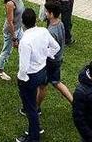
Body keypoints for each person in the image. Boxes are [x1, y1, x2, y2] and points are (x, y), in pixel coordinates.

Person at [15, 8, 59, 142]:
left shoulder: (25, 40)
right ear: (35, 20)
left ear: (23, 23)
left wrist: (22, 79)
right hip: (42, 71)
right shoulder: (44, 31)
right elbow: (55, 47)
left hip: (30, 76)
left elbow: (23, 66)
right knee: (33, 106)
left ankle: (34, 137)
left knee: (30, 108)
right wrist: (45, 54)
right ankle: (36, 128)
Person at [38, 2, 73, 111]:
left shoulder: (50, 31)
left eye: (47, 12)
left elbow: (48, 49)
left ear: (51, 14)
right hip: (58, 58)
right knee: (56, 82)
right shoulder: (60, 23)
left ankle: (35, 108)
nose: (45, 13)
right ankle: (74, 103)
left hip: (51, 61)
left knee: (42, 86)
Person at [0, 0, 25, 81]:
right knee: (6, 51)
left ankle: (25, 68)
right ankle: (0, 70)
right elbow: (10, 22)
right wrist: (14, 38)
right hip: (11, 31)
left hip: (19, 29)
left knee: (24, 47)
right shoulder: (10, 3)